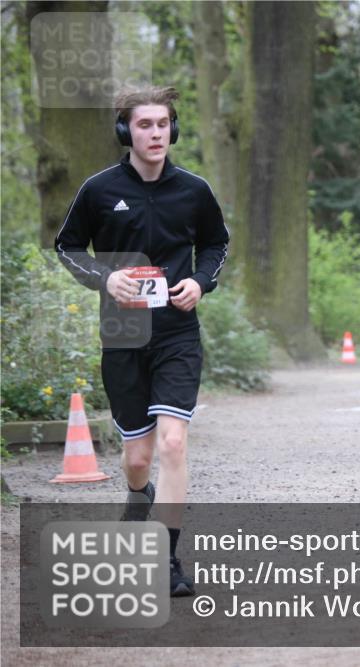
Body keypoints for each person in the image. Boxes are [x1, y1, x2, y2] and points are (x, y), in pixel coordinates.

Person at [54, 85, 229, 596]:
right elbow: (67, 246)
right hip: (124, 330)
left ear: (172, 129)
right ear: (124, 131)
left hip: (176, 330)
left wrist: (200, 281)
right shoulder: (99, 189)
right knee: (137, 458)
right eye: (144, 124)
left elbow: (216, 242)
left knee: (173, 443)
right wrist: (104, 279)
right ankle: (137, 495)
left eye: (162, 124)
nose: (155, 133)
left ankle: (167, 556)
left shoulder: (193, 190)